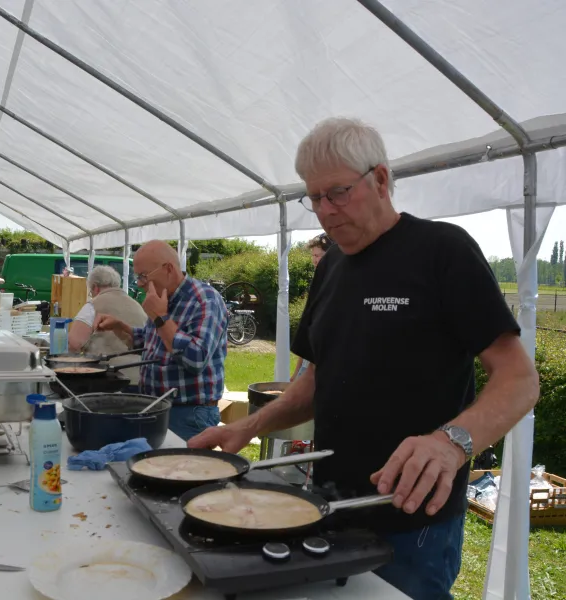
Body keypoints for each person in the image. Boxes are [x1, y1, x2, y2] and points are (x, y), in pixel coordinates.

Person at [188, 117, 539, 600]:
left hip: (414, 518)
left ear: (379, 180)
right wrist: (246, 428)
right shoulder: (330, 267)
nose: (325, 211)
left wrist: (451, 442)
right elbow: (315, 382)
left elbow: (520, 379)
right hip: (329, 506)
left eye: (338, 192)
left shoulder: (443, 252)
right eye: (314, 198)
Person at [95, 240, 228, 440]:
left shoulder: (205, 299)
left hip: (188, 414)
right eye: (137, 277)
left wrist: (160, 317)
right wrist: (121, 327)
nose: (139, 284)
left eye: (143, 276)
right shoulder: (162, 297)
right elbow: (152, 343)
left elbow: (196, 358)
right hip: (157, 406)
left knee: (179, 470)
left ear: (168, 269)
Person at [69, 265, 147, 391]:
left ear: (95, 287)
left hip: (109, 379)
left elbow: (74, 343)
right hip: (141, 378)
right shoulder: (137, 305)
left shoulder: (93, 305)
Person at [290, 232, 335, 381]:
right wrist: (296, 373)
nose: (315, 260)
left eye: (318, 256)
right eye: (313, 256)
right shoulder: (318, 283)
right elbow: (308, 331)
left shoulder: (336, 286)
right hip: (309, 364)